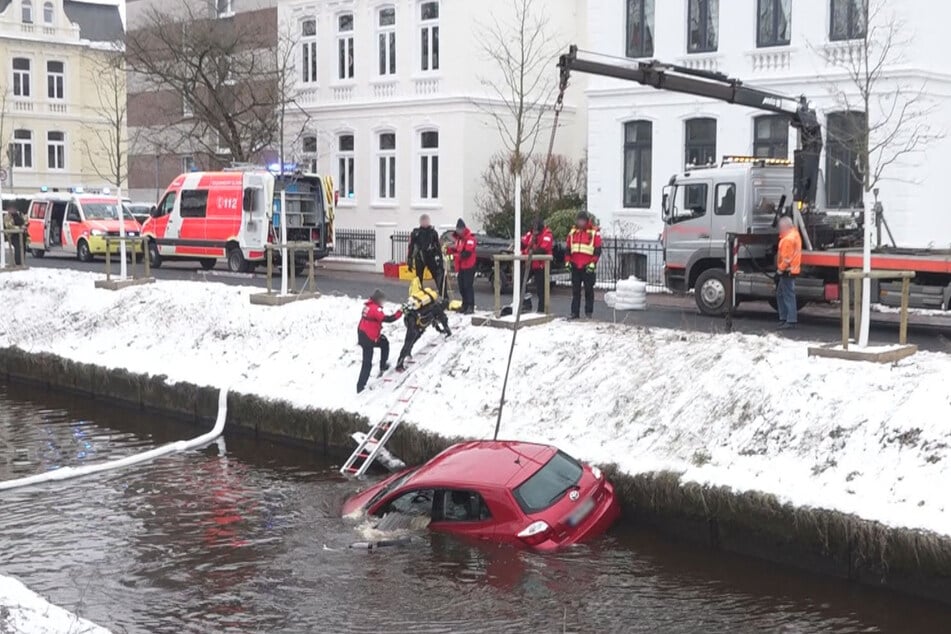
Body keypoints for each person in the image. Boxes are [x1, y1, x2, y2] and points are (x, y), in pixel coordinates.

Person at [395, 279, 452, 371]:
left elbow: (435, 323)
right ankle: (399, 364)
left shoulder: (430, 305)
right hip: (416, 322)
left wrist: (440, 329)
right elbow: (443, 321)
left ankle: (407, 352)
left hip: (410, 318)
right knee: (411, 339)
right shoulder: (437, 309)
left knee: (414, 337)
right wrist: (447, 331)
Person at [356, 289, 403, 393]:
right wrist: (400, 313)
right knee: (367, 362)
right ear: (378, 300)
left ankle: (383, 365)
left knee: (384, 343)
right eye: (382, 300)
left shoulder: (368, 306)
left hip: (363, 333)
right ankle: (360, 386)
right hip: (369, 337)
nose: (383, 302)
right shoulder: (375, 309)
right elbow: (388, 319)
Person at [565, 211, 602, 319]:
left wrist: (593, 263)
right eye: (579, 220)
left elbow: (597, 250)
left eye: (582, 221)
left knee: (588, 290)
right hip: (575, 265)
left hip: (587, 266)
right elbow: (568, 249)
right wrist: (567, 261)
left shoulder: (594, 232)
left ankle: (588, 313)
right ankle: (574, 313)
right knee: (575, 291)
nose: (580, 223)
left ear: (586, 221)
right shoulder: (572, 232)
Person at [406, 214, 446, 295]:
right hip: (420, 258)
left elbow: (438, 246)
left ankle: (444, 296)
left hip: (431, 257)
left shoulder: (433, 233)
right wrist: (409, 259)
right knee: (418, 278)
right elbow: (411, 247)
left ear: (428, 222)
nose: (425, 223)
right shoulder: (416, 233)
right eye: (423, 222)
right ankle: (418, 295)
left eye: (426, 221)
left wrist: (440, 259)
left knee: (438, 276)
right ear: (420, 222)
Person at [521, 218, 554, 313]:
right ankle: (526, 304)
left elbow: (543, 250)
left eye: (536, 230)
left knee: (541, 289)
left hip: (542, 265)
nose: (534, 232)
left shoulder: (547, 234)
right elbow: (523, 242)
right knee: (521, 280)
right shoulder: (530, 233)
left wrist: (527, 252)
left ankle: (542, 310)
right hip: (531, 262)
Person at [776, 216, 802, 330]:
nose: (779, 230)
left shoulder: (787, 240)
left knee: (787, 295)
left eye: (780, 227)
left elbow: (786, 259)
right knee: (781, 293)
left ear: (785, 227)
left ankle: (790, 319)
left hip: (787, 271)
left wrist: (779, 270)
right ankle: (785, 318)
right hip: (792, 270)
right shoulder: (795, 235)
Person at [446, 218, 477, 314]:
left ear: (463, 229)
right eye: (457, 230)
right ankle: (465, 305)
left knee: (468, 286)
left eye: (460, 230)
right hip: (461, 267)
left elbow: (467, 253)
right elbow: (457, 249)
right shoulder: (459, 240)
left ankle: (470, 306)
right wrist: (449, 249)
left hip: (469, 266)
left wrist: (457, 256)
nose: (458, 232)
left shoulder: (470, 239)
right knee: (461, 287)